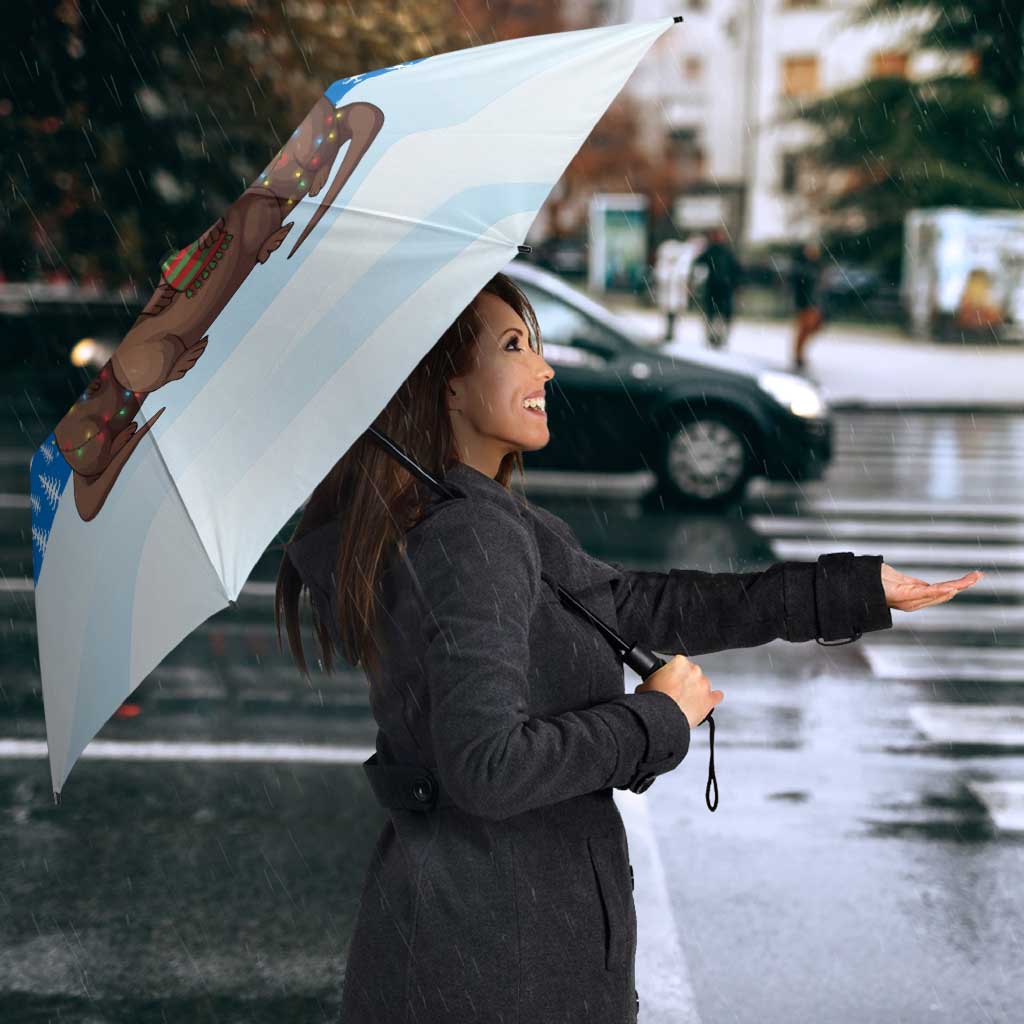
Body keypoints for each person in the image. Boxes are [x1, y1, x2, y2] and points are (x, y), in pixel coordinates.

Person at [275, 271, 978, 1024]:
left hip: (478, 943)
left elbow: (640, 605)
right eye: (514, 346)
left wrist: (850, 591)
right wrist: (655, 719)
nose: (544, 368)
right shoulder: (469, 537)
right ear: (444, 385)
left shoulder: (476, 518)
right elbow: (487, 768)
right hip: (498, 962)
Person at [692, 226, 742, 349]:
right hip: (715, 288)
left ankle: (719, 337)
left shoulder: (725, 252)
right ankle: (713, 337)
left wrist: (735, 284)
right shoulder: (712, 251)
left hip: (723, 288)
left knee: (720, 315)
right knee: (713, 314)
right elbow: (698, 264)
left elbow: (736, 270)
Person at [790, 239, 826, 370]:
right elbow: (799, 286)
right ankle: (798, 355)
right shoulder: (802, 267)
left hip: (814, 303)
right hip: (805, 303)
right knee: (804, 329)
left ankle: (799, 354)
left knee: (812, 328)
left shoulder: (817, 266)